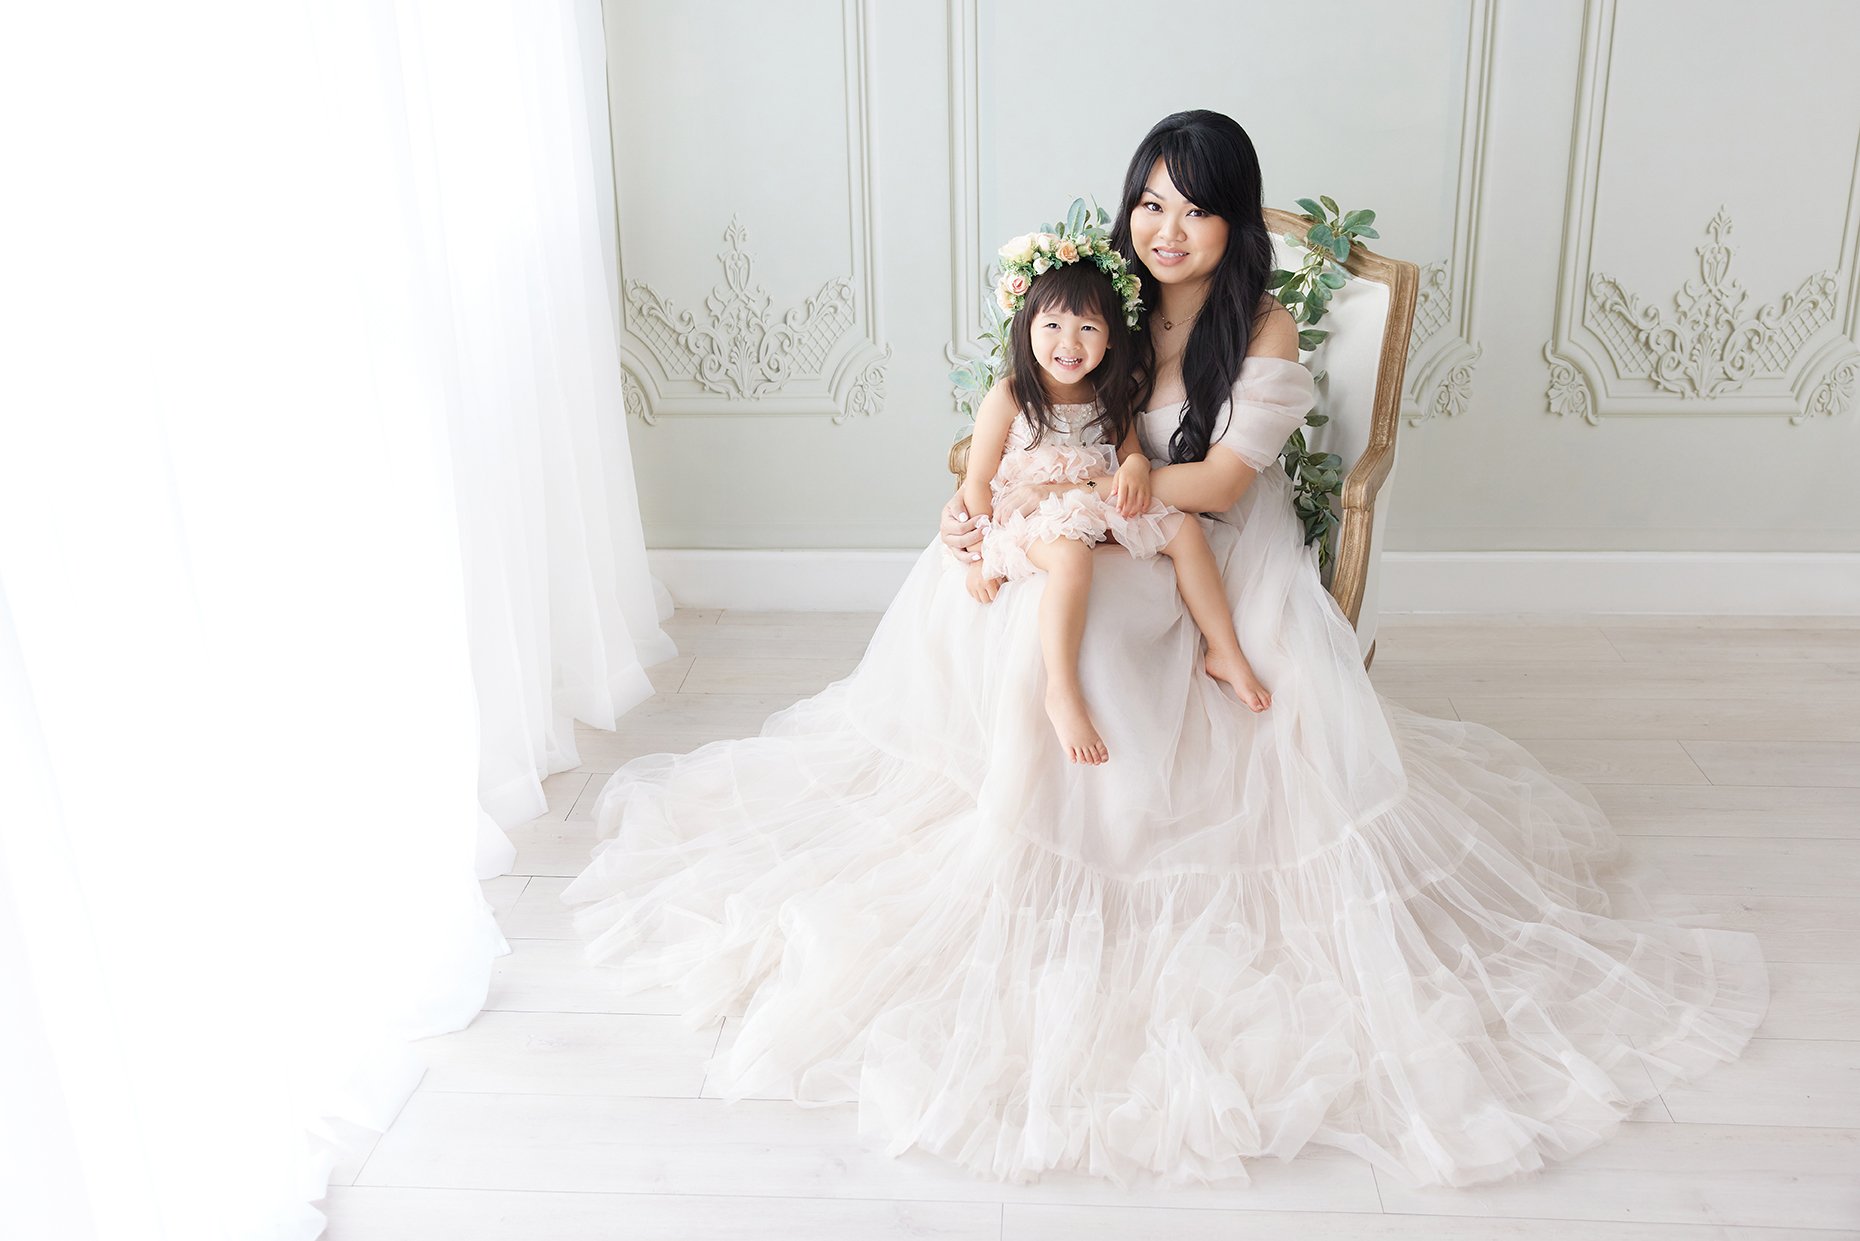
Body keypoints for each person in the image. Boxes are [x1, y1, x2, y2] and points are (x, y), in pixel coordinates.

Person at [564, 110, 1768, 1190]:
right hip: (1102, 509)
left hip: (1208, 531)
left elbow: (1226, 477)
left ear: (1235, 221)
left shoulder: (1268, 320)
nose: (1168, 228)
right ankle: (1000, 792)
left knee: (1097, 613)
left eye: (1195, 209)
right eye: (1151, 201)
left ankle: (1135, 734)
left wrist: (1106, 493)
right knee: (979, 587)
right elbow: (1039, 397)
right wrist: (989, 501)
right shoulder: (1111, 297)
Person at [962, 235, 1270, 766]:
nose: (1069, 341)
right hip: (1032, 515)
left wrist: (1131, 465)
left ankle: (1225, 650)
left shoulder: (1111, 394)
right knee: (1069, 556)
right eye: (1053, 325)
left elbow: (1129, 455)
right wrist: (979, 553)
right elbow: (977, 479)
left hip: (1093, 502)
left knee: (1186, 532)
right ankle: (1062, 690)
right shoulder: (1011, 395)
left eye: (1088, 328)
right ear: (1026, 326)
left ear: (1110, 339)